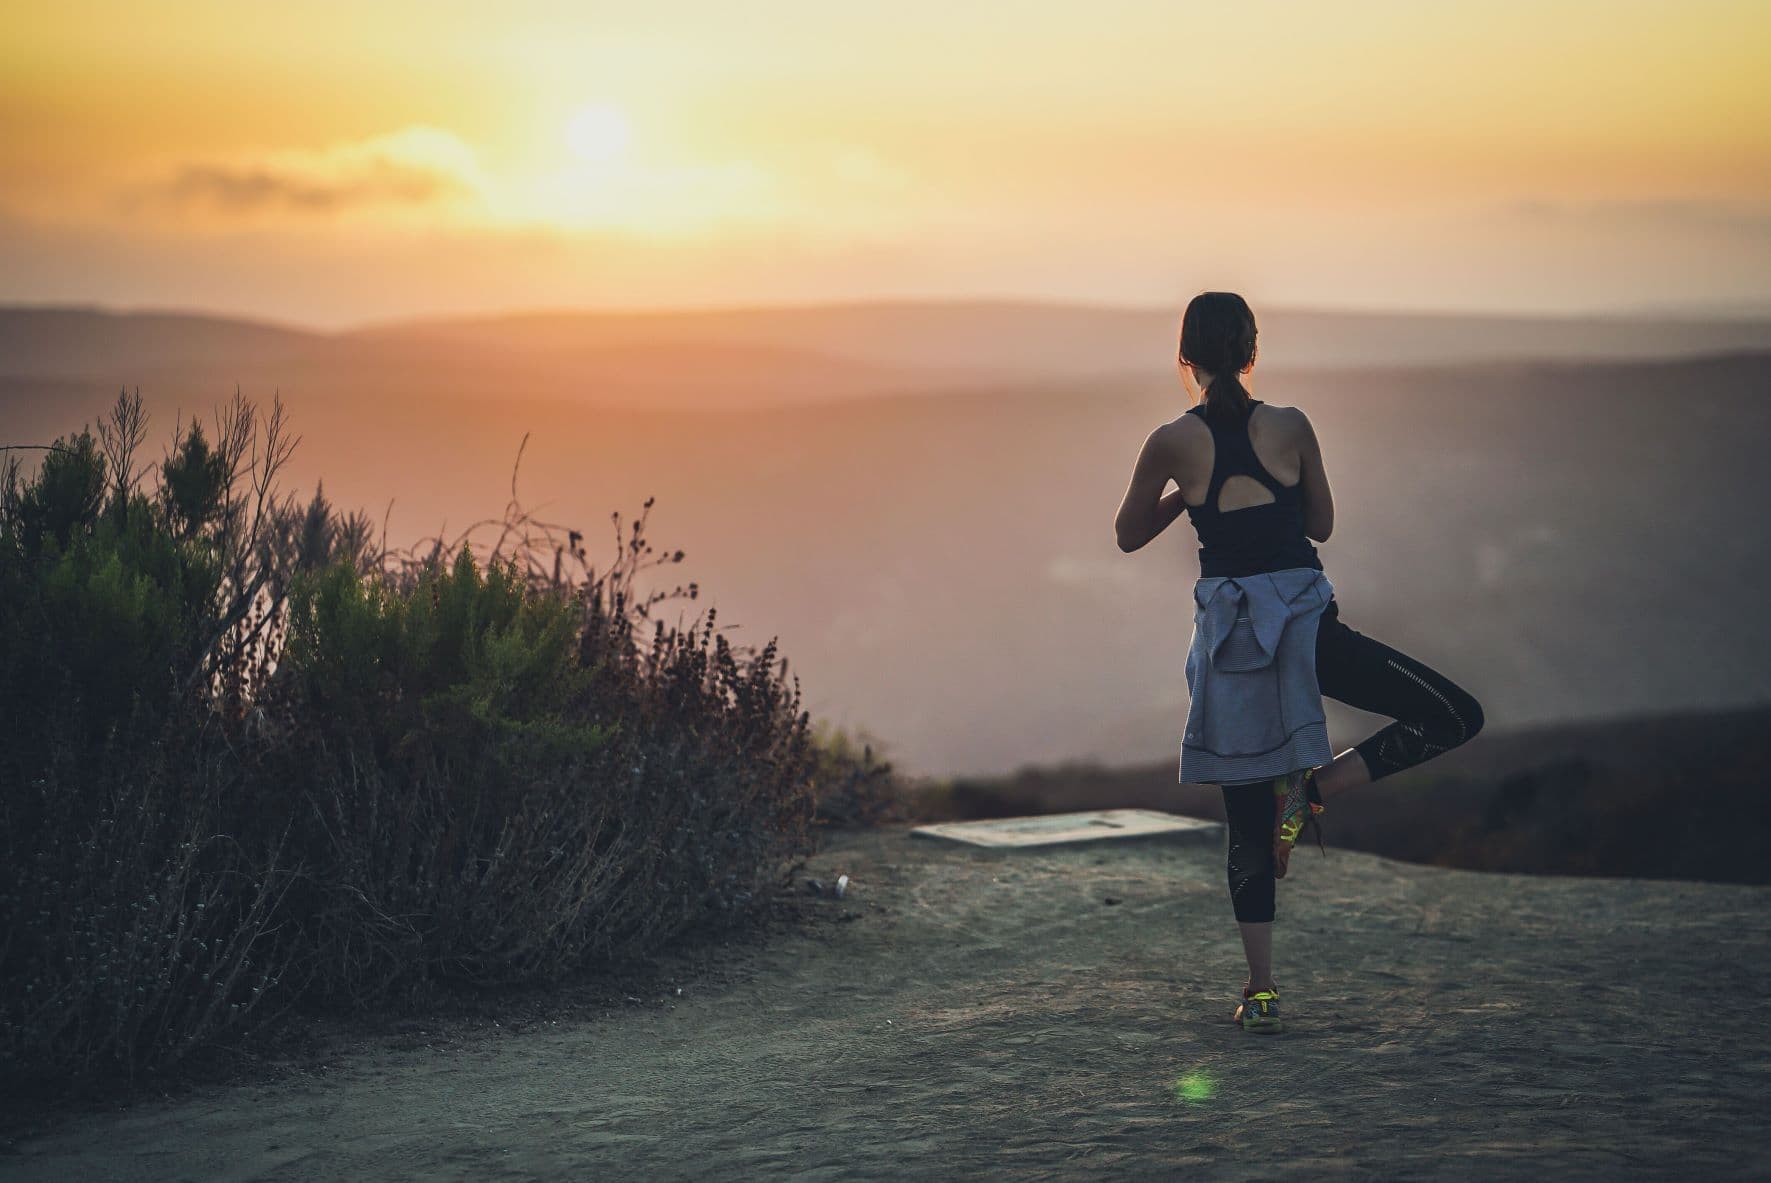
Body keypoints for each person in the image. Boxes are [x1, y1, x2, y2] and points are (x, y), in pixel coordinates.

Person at [1113, 290, 1485, 1033]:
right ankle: (1316, 790)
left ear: (1183, 357)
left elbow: (1127, 534)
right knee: (1452, 714)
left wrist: (1189, 500)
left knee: (1244, 818)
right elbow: (1319, 523)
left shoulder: (1168, 442)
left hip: (1230, 646)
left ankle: (1260, 991)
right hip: (1307, 629)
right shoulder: (1291, 426)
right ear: (1252, 351)